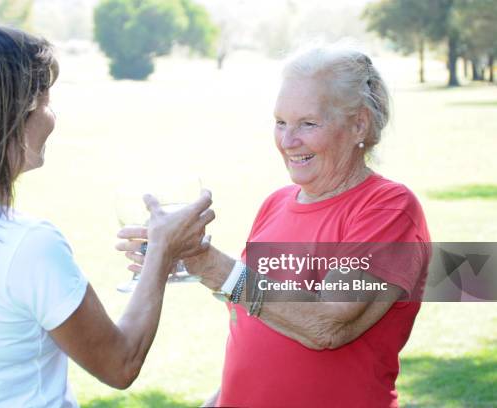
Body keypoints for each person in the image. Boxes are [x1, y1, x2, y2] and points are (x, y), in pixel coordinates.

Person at [0, 24, 214, 407]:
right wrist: (161, 251)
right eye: (45, 101)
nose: (52, 117)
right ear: (10, 118)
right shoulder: (27, 246)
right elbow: (120, 363)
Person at [117, 44, 431, 407]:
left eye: (308, 123)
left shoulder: (387, 209)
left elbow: (329, 324)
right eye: (280, 122)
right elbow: (259, 320)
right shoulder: (277, 203)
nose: (287, 141)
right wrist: (181, 260)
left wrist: (210, 264)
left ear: (359, 123)